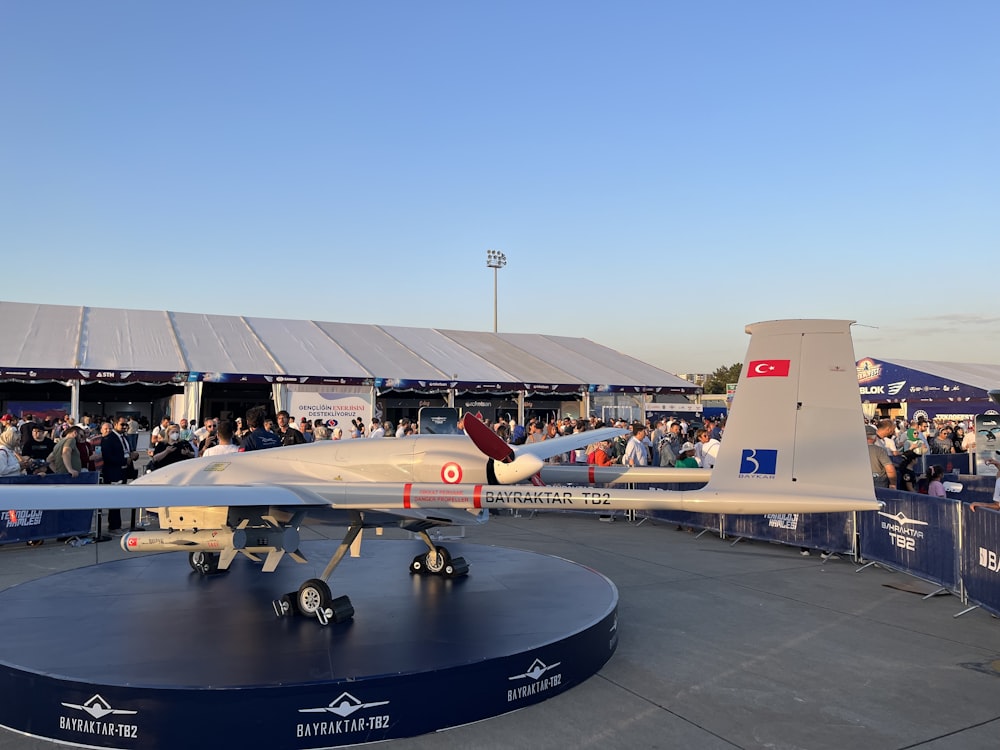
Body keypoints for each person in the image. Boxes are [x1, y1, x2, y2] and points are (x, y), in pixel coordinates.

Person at [101, 418, 137, 532]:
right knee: (114, 500)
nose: (124, 426)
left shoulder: (124, 437)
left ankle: (118, 524)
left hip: (124, 471)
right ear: (115, 424)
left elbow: (126, 451)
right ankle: (114, 526)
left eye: (126, 424)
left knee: (120, 499)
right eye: (122, 424)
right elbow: (107, 456)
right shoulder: (109, 438)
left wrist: (132, 456)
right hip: (113, 472)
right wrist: (123, 460)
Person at [866, 424, 896, 489]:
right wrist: (893, 484)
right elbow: (890, 469)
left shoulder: (854, 450)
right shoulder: (879, 450)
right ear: (875, 438)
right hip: (879, 484)